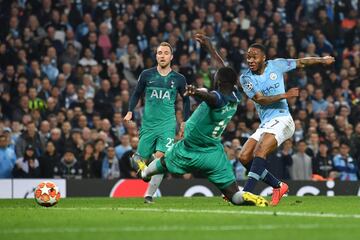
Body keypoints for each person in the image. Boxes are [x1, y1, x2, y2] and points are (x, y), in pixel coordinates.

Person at [136, 34, 268, 207]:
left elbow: (211, 98)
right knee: (233, 195)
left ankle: (144, 173)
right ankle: (247, 197)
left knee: (163, 162)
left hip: (189, 149)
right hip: (214, 153)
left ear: (219, 81)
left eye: (215, 76)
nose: (214, 76)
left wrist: (195, 92)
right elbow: (224, 68)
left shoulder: (216, 97)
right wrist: (210, 47)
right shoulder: (235, 94)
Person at [238, 42, 335, 205]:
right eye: (248, 57)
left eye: (254, 57)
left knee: (260, 150)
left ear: (263, 58)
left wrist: (322, 60)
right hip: (266, 123)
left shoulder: (277, 65)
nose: (250, 60)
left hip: (283, 119)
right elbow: (260, 99)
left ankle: (247, 192)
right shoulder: (246, 77)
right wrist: (285, 95)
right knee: (244, 156)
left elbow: (301, 61)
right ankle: (278, 185)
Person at [124, 42, 190, 203]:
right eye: (160, 53)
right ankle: (142, 168)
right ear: (156, 56)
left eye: (166, 53)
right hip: (148, 125)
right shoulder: (147, 75)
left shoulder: (179, 79)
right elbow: (136, 93)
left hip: (167, 125)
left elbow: (186, 100)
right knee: (139, 160)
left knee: (162, 158)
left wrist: (185, 121)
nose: (162, 56)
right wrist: (130, 110)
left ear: (171, 57)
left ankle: (149, 194)